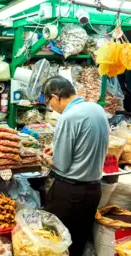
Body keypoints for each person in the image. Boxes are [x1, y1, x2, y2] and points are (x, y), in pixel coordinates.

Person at [42, 76, 109, 256]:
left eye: (49, 102)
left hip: (71, 193)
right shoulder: (97, 109)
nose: (51, 108)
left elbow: (61, 164)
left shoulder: (69, 117)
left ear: (55, 97)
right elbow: (86, 142)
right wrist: (56, 147)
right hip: (93, 190)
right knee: (78, 241)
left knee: (56, 242)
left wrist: (44, 158)